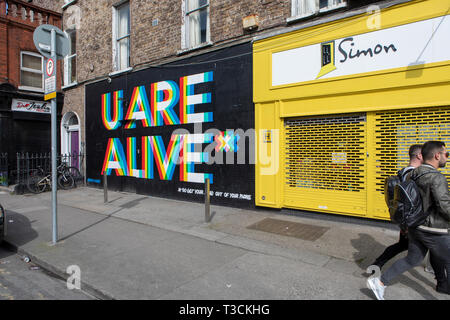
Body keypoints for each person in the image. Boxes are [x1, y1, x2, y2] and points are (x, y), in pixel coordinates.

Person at [367, 141, 450, 300]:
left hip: (416, 227)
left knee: (412, 259)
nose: (447, 157)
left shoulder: (412, 173)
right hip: (434, 230)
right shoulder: (437, 177)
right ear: (437, 155)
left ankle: (380, 283)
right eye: (446, 154)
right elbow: (444, 206)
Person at [368, 144, 423, 270]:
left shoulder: (403, 172)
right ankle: (382, 276)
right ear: (419, 156)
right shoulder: (413, 175)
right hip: (412, 221)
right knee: (435, 248)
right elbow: (412, 201)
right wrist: (407, 225)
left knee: (402, 245)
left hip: (406, 220)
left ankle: (377, 264)